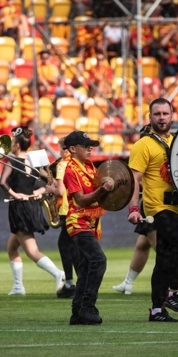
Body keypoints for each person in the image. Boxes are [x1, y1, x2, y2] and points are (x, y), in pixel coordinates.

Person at [127, 98, 178, 322]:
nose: (162, 118)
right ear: (150, 117)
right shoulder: (143, 145)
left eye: (166, 114)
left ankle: (157, 309)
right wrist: (134, 208)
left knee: (164, 258)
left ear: (172, 116)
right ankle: (174, 292)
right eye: (157, 114)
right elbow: (133, 179)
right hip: (158, 208)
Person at [0, 126, 65, 296]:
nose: (11, 145)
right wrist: (40, 191)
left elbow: (3, 183)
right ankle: (18, 286)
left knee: (32, 251)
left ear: (17, 145)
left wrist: (16, 194)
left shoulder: (12, 161)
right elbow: (51, 184)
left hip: (20, 207)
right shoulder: (34, 162)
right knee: (12, 247)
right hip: (30, 206)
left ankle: (58, 273)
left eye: (13, 142)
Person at [62, 130, 113, 325]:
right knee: (98, 260)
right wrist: (102, 189)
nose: (90, 148)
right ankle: (88, 306)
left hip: (90, 223)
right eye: (86, 146)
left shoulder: (90, 167)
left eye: (91, 145)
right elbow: (81, 200)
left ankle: (77, 312)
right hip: (77, 221)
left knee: (85, 267)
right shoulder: (69, 169)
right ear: (73, 149)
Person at [50, 137, 77, 298]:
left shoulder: (62, 165)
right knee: (71, 246)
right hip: (75, 208)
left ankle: (71, 283)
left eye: (60, 149)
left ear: (65, 150)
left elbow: (60, 192)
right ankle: (71, 282)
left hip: (66, 209)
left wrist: (49, 188)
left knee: (67, 246)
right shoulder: (75, 164)